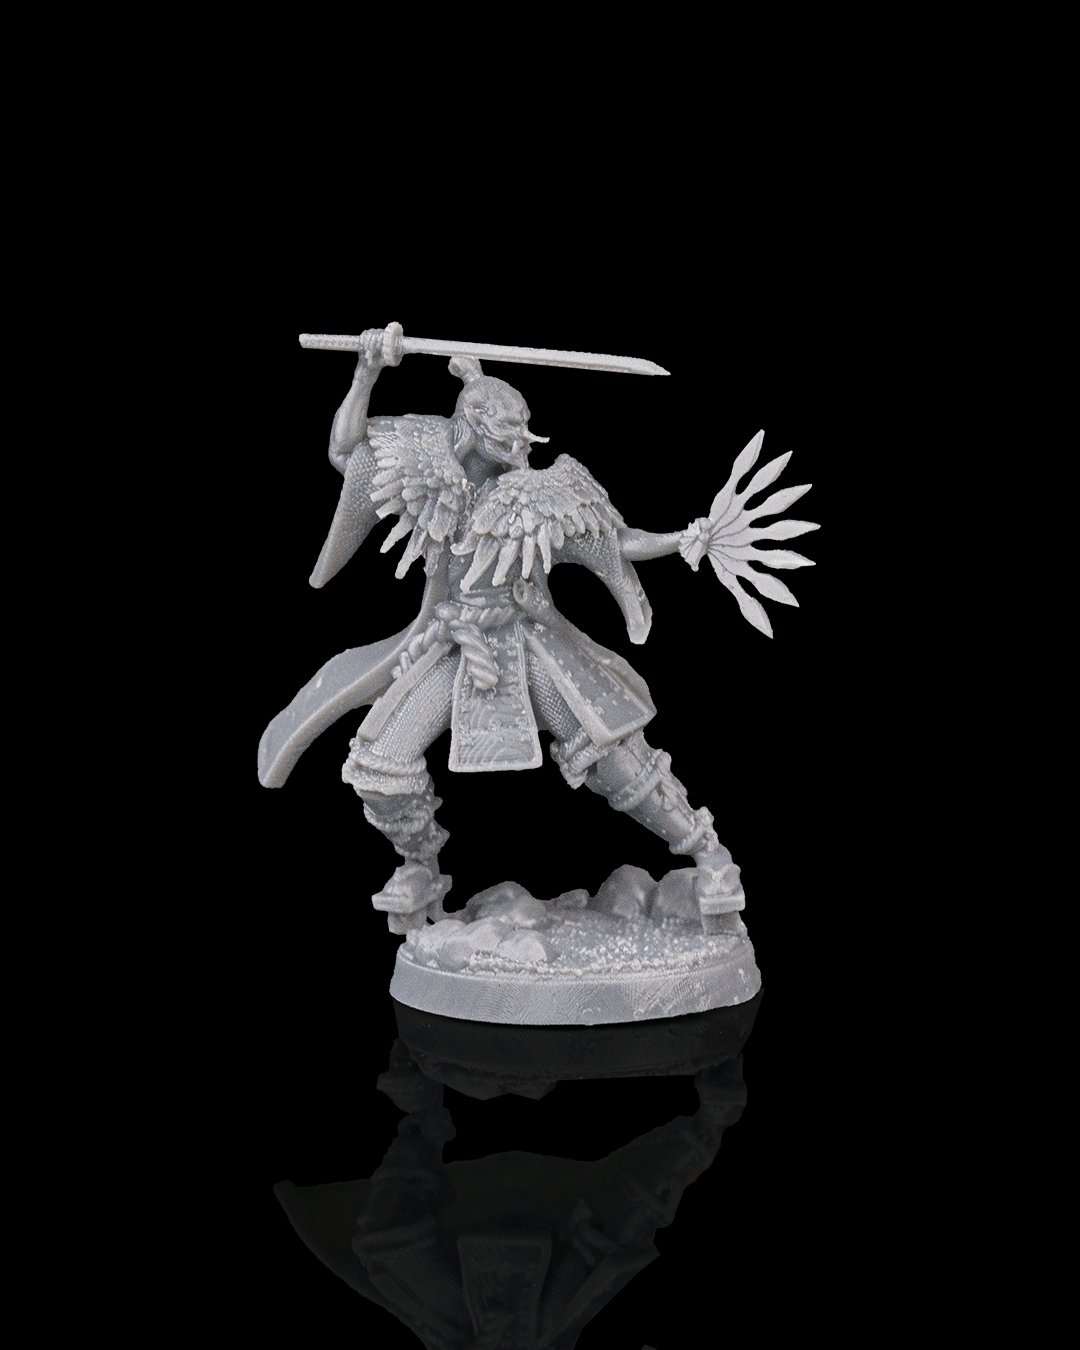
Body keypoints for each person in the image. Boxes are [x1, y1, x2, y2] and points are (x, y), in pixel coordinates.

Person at [259, 330, 746, 933]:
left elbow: (616, 541)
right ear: (469, 429)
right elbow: (348, 450)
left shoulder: (542, 495)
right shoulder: (428, 463)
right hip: (450, 644)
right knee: (382, 763)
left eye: (522, 437)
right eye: (504, 438)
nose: (518, 449)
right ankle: (419, 864)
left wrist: (684, 539)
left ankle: (708, 854)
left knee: (614, 752)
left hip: (529, 640)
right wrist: (366, 371)